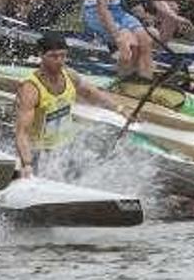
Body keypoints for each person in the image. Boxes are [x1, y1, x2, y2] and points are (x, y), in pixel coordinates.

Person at [14, 32, 134, 178]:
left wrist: (120, 109)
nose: (59, 61)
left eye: (63, 55)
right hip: (38, 153)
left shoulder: (69, 75)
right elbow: (22, 133)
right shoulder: (30, 88)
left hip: (65, 148)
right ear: (41, 55)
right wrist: (27, 164)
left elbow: (92, 94)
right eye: (53, 56)